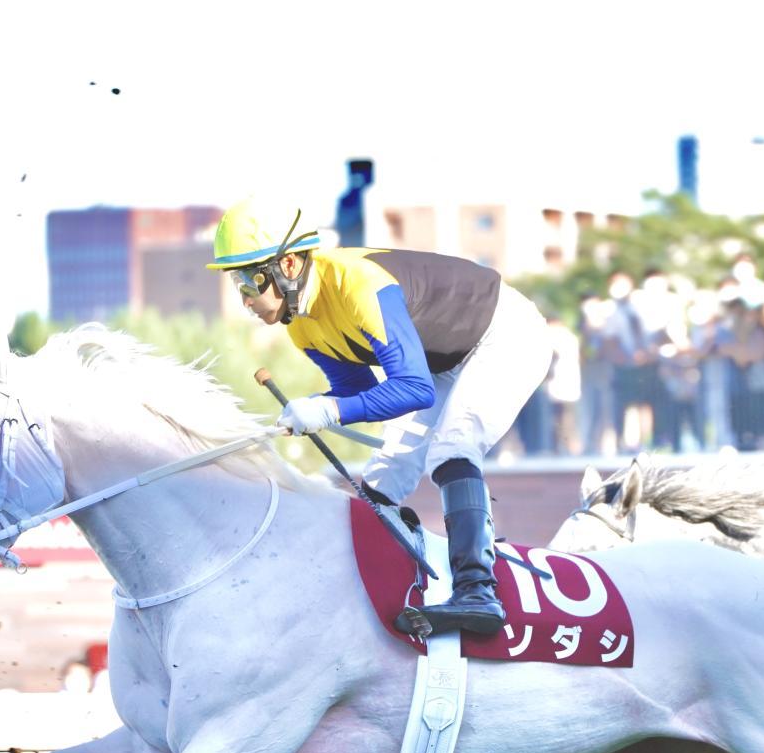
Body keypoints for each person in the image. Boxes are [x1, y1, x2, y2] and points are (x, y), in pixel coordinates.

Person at [208, 197, 551, 636]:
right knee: (382, 483)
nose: (244, 298)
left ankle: (478, 592)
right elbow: (357, 393)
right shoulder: (300, 324)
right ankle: (386, 589)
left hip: (506, 334)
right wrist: (315, 408)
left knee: (451, 448)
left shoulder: (357, 285)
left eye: (248, 279)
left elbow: (413, 390)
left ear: (288, 265)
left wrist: (327, 410)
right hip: (441, 361)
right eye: (236, 281)